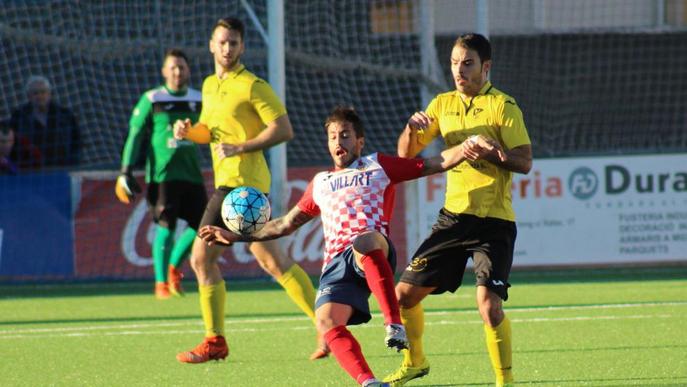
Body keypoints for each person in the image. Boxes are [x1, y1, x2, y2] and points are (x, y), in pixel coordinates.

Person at [198, 106, 506, 386]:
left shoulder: (377, 165)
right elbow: (283, 224)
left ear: (359, 141)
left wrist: (465, 148)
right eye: (332, 136)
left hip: (374, 247)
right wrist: (236, 236)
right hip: (336, 262)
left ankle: (393, 325)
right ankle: (368, 381)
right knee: (327, 322)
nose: (338, 142)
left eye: (345, 135)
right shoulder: (320, 183)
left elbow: (431, 164)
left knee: (363, 241)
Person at [383, 33, 533, 387]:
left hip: (494, 222)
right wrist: (411, 128)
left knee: (489, 306)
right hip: (453, 218)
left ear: (486, 66)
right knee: (403, 295)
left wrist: (494, 154)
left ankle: (504, 381)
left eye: (467, 63)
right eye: (454, 63)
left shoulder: (503, 106)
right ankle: (416, 362)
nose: (459, 70)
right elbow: (406, 154)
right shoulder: (441, 104)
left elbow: (524, 162)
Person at [172, 17, 322, 362]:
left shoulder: (253, 85)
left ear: (242, 47)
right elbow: (210, 131)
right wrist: (189, 132)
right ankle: (328, 324)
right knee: (273, 261)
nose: (227, 49)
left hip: (244, 188)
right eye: (222, 42)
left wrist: (242, 147)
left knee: (200, 258)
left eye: (234, 43)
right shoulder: (210, 85)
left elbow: (283, 129)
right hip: (233, 187)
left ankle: (215, 341)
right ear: (211, 45)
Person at [115, 48, 207, 299]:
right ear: (164, 71)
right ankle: (160, 285)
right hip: (162, 175)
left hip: (192, 175)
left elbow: (212, 130)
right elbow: (135, 135)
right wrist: (126, 170)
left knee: (205, 226)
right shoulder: (153, 99)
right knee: (166, 226)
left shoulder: (199, 99)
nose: (178, 72)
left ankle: (174, 266)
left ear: (189, 71)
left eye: (182, 67)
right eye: (173, 67)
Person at [8, 75, 81, 169]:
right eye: (35, 93)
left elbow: (77, 141)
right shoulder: (18, 116)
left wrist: (74, 163)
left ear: (49, 94)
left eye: (43, 92)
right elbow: (12, 142)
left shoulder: (65, 115)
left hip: (62, 168)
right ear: (29, 96)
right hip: (30, 170)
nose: (40, 96)